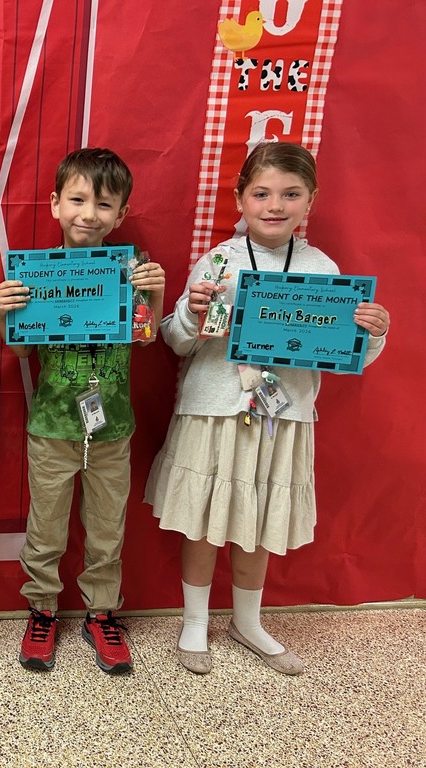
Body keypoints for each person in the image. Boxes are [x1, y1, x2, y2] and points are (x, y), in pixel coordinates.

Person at [145, 141, 390, 675]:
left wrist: (371, 333)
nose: (275, 205)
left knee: (257, 520)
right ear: (240, 199)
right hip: (213, 410)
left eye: (290, 194)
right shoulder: (218, 261)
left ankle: (248, 621)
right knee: (202, 519)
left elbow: (342, 353)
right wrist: (189, 314)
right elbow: (177, 342)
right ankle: (194, 620)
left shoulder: (323, 269)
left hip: (282, 416)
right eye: (261, 194)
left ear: (311, 201)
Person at [0, 148, 165, 674]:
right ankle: (42, 609)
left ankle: (102, 612)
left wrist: (153, 297)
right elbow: (22, 349)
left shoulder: (129, 270)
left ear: (121, 213)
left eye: (104, 204)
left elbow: (145, 336)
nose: (89, 214)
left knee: (107, 528)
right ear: (55, 204)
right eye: (78, 200)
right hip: (52, 427)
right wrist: (4, 312)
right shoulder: (34, 275)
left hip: (112, 429)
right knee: (45, 527)